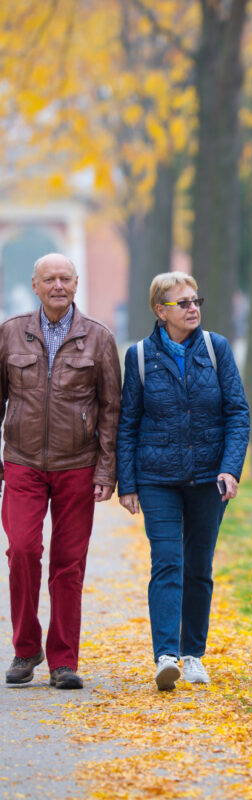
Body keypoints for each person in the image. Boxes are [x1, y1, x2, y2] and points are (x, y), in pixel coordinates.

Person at [116, 272, 249, 691]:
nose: (193, 308)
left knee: (198, 566)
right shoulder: (139, 356)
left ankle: (193, 654)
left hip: (209, 478)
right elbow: (128, 423)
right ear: (161, 311)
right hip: (157, 478)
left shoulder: (216, 348)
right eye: (183, 303)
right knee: (167, 562)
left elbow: (237, 412)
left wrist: (230, 468)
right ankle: (166, 656)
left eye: (196, 301)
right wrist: (127, 483)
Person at [1, 253, 121, 690]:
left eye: (65, 278)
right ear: (35, 285)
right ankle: (25, 647)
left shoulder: (99, 338)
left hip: (77, 465)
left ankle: (63, 661)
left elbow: (112, 409)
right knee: (22, 550)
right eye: (49, 279)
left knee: (68, 564)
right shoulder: (10, 332)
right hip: (22, 462)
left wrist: (106, 470)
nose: (58, 286)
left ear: (76, 283)